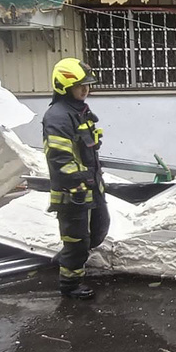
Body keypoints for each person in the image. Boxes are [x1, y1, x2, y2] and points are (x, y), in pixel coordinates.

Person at [43, 57, 108, 300]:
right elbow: (59, 158)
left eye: (87, 85)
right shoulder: (58, 116)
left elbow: (88, 143)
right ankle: (69, 285)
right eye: (80, 85)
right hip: (73, 192)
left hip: (91, 186)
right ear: (63, 86)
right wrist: (79, 181)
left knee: (99, 230)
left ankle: (66, 258)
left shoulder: (79, 109)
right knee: (77, 240)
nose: (85, 89)